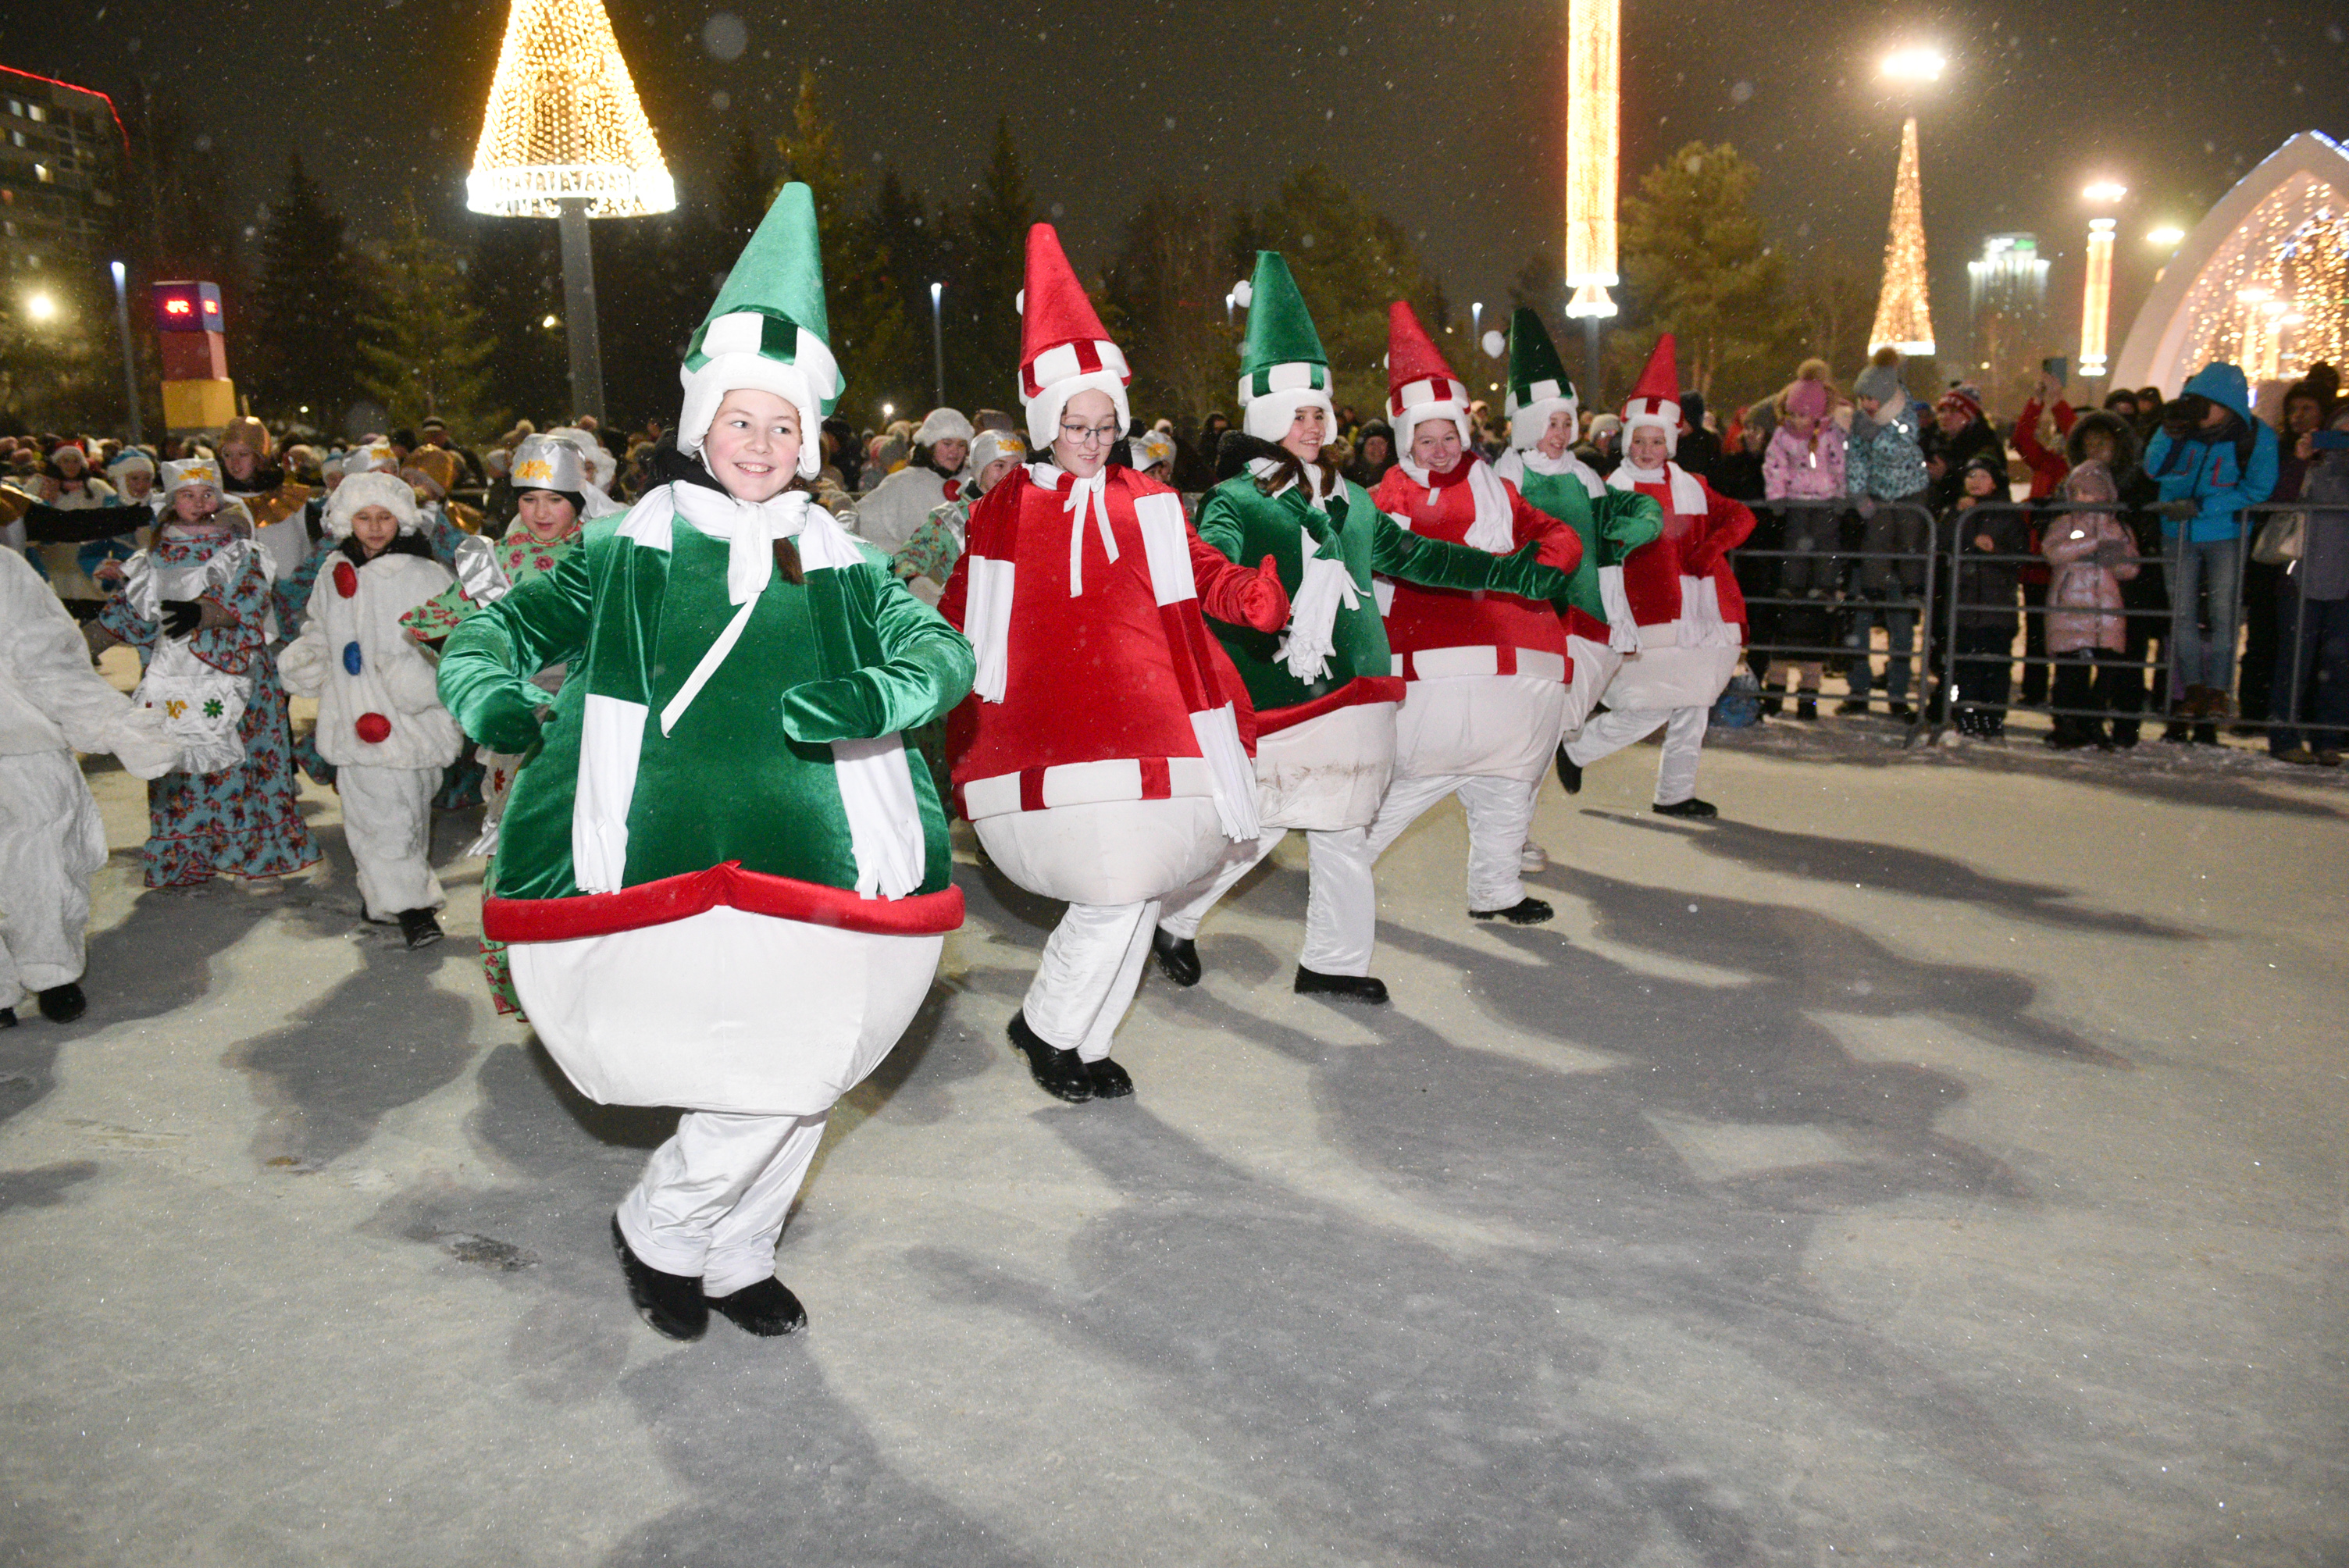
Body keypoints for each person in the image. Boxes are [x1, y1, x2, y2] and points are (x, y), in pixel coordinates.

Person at [439, 184, 974, 1343]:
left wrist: (879, 692)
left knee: (802, 1074)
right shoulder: (630, 549)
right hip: (656, 854)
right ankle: (670, 1229)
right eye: (743, 421)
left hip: (826, 861)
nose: (765, 446)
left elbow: (940, 651)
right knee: (752, 1080)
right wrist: (487, 694)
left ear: (812, 440)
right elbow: (496, 632)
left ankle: (725, 1248)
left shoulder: (838, 556)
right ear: (699, 426)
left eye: (786, 427)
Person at [1155, 259, 1570, 1002]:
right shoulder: (1234, 498)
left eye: (1320, 414)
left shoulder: (1351, 498)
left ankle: (1334, 963)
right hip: (1277, 689)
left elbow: (1413, 557)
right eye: (1297, 415)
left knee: (1345, 829)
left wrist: (1509, 571)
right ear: (1264, 421)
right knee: (1257, 833)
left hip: (1357, 687)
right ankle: (1174, 919)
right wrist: (1247, 594)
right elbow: (1205, 570)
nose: (1312, 427)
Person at [939, 223, 1285, 1105]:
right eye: (1074, 426)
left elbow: (1203, 575)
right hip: (1046, 730)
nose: (1091, 442)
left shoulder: (1152, 499)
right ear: (1044, 426)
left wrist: (1252, 596)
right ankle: (1053, 1027)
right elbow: (963, 604)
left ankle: (1078, 1036)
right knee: (1115, 893)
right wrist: (930, 669)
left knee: (1133, 892)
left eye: (1104, 427)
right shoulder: (1006, 509)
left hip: (1155, 721)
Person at [1365, 301, 1584, 922]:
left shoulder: (1498, 489)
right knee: (1405, 791)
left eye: (1449, 437)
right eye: (1425, 439)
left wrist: (1541, 571)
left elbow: (1558, 536)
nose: (1439, 450)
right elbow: (1378, 553)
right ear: (1407, 440)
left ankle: (1497, 890)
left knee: (1508, 788)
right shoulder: (1387, 497)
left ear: (1465, 434)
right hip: (1431, 668)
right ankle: (1340, 876)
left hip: (1516, 665)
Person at [89, 460, 322, 889]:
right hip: (173, 681)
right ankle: (188, 854)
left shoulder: (243, 550)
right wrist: (77, 647)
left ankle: (248, 850)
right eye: (187, 495)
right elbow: (127, 615)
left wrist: (206, 612)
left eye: (207, 494)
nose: (199, 503)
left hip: (242, 678)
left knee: (243, 764)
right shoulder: (152, 558)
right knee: (181, 767)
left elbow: (250, 599)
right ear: (171, 503)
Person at [1557, 335, 1754, 818]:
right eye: (1639, 441)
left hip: (1699, 614)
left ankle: (1675, 792)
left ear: (1670, 442)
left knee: (1694, 706)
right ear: (1627, 443)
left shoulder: (1693, 487)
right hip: (1643, 616)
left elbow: (1742, 517)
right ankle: (1578, 749)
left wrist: (1710, 548)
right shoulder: (1610, 490)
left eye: (1656, 441)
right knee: (1650, 706)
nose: (1647, 450)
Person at [1488, 306, 1660, 838]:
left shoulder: (1586, 474)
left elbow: (1620, 516)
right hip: (1537, 610)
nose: (1560, 432)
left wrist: (1638, 524)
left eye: (1567, 422)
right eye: (1552, 422)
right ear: (1531, 422)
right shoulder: (1510, 470)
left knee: (1561, 718)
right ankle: (1511, 836)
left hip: (1589, 609)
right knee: (1534, 731)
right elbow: (1500, 533)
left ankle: (1518, 816)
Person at [277, 474, 465, 946]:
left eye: (384, 517)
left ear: (400, 521)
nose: (375, 527)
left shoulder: (424, 575)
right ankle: (410, 908)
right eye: (364, 517)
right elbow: (322, 626)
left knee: (408, 818)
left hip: (410, 720)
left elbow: (454, 643)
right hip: (351, 719)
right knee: (380, 816)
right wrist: (308, 658)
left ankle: (384, 894)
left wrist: (416, 680)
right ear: (347, 521)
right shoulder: (332, 570)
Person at [0, 547, 180, 1026]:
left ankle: (52, 971)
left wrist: (111, 725)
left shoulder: (4, 572)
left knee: (44, 865)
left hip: (20, 746)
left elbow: (48, 660)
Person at [2144, 362, 2279, 726]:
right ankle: (2192, 689)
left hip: (2226, 535)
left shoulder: (2254, 435)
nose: (2199, 410)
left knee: (2224, 614)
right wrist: (2168, 433)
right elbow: (2153, 468)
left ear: (2227, 404)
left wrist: (2202, 507)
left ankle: (2218, 690)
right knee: (2183, 614)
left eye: (2207, 403)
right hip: (2177, 533)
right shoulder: (2181, 429)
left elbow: (2258, 488)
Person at [1839, 347, 1930, 719]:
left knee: (1901, 623)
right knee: (1862, 615)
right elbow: (1855, 458)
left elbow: (1899, 448)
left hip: (1906, 504)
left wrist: (1874, 434)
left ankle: (1897, 692)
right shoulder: (1864, 422)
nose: (1867, 405)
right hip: (1875, 515)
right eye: (1862, 399)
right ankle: (1859, 689)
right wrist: (1858, 494)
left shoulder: (1903, 414)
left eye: (1871, 399)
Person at [1760, 376, 1846, 718]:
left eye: (1802, 415)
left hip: (1824, 500)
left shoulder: (1829, 436)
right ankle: (1792, 584)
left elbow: (1840, 463)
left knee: (1826, 545)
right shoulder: (1782, 437)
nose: (1796, 422)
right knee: (1797, 544)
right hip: (1797, 500)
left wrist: (1841, 493)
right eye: (1792, 414)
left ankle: (1824, 584)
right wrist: (1777, 494)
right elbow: (1774, 464)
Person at [2041, 459, 2140, 750]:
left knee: (2106, 671)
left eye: (2094, 492)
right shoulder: (2065, 523)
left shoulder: (2117, 528)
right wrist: (2090, 546)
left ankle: (2092, 720)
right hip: (2070, 606)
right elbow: (2053, 551)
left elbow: (2130, 568)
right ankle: (2067, 725)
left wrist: (2113, 557)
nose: (2087, 498)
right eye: (2081, 492)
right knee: (2070, 671)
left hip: (2106, 609)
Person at [2270, 405, 2349, 764]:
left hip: (2344, 582)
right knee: (2294, 660)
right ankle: (2284, 736)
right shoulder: (2307, 468)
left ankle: (2329, 739)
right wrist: (2301, 459)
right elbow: (2279, 500)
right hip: (2301, 575)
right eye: (2339, 433)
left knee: (2338, 662)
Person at [889, 428, 1024, 608]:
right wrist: (925, 593)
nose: (1009, 475)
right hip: (963, 622)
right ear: (980, 470)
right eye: (999, 465)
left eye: (1016, 467)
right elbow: (905, 561)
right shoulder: (951, 519)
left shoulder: (1027, 513)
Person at [1944, 454, 2026, 737]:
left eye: (1981, 476)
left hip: (1996, 609)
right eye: (1970, 476)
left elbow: (2019, 558)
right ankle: (1964, 718)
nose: (1974, 482)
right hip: (1964, 607)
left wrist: (1995, 552)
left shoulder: (2007, 514)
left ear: (1995, 482)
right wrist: (1957, 516)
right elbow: (1941, 545)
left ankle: (1992, 721)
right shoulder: (1957, 512)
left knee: (1994, 667)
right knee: (1964, 666)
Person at [852, 408, 973, 553]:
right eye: (947, 444)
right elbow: (862, 521)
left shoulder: (973, 482)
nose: (955, 451)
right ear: (930, 445)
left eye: (961, 445)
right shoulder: (902, 482)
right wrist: (901, 560)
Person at [1342, 419, 1395, 489]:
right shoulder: (1350, 476)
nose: (1377, 448)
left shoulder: (1395, 475)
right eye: (1372, 443)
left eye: (1381, 443)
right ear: (1362, 449)